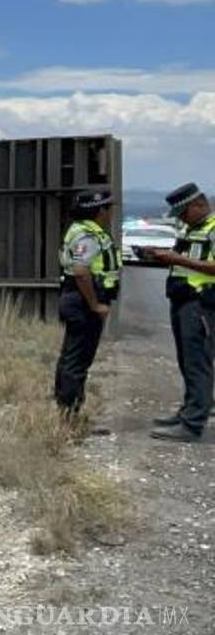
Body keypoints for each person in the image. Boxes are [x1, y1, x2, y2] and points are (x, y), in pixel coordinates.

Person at [145, 182, 215, 443]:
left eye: (184, 212)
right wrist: (161, 257)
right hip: (183, 300)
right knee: (187, 361)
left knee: (198, 363)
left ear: (199, 204)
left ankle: (193, 424)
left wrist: (177, 259)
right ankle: (188, 411)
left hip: (201, 303)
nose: (182, 218)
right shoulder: (192, 229)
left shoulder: (213, 229)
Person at [53, 190, 120, 420]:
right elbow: (82, 272)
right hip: (82, 302)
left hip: (77, 299)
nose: (111, 212)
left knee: (71, 357)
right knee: (77, 360)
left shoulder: (81, 229)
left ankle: (66, 409)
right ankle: (69, 413)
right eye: (109, 208)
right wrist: (94, 305)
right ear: (100, 210)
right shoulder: (88, 235)